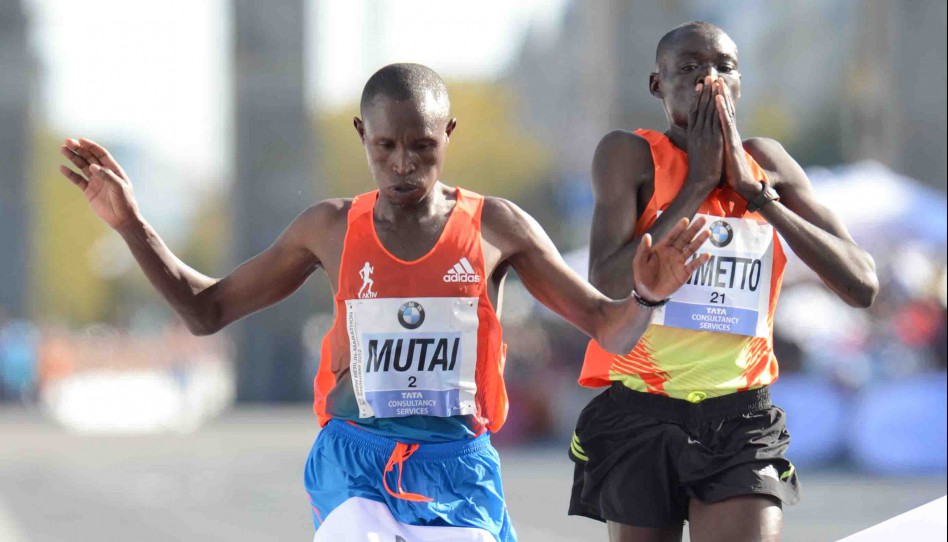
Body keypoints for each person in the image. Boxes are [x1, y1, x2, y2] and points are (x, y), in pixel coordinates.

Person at [59, 63, 711, 542]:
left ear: (448, 134)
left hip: (458, 466)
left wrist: (648, 294)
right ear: (361, 136)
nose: (403, 165)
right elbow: (206, 310)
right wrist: (130, 224)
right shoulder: (331, 228)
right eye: (385, 147)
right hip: (356, 460)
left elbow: (608, 326)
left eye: (422, 147)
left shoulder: (495, 228)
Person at [568, 22, 879, 542]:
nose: (708, 80)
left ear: (739, 83)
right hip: (640, 409)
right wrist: (697, 186)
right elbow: (607, 277)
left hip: (739, 416)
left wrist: (757, 196)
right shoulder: (629, 155)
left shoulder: (768, 163)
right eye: (688, 68)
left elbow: (862, 285)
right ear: (656, 85)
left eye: (723, 68)